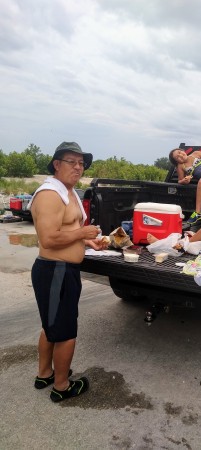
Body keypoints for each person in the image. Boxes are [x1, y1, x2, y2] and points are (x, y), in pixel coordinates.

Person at [28, 141, 109, 402]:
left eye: (81, 163)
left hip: (63, 271)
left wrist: (86, 241)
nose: (78, 167)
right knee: (65, 332)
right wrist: (83, 232)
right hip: (55, 271)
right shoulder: (50, 194)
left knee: (51, 326)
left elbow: (65, 231)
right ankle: (62, 387)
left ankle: (45, 373)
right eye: (71, 162)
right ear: (56, 164)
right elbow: (49, 239)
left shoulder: (68, 191)